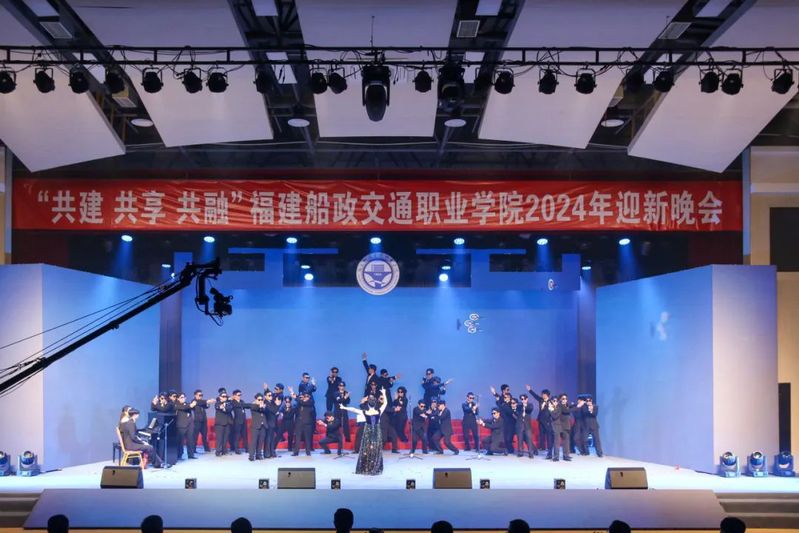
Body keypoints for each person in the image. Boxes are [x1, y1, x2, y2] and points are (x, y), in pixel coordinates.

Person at [341, 387, 388, 475]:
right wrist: (384, 393)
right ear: (375, 403)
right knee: (375, 448)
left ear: (368, 404)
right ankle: (374, 467)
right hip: (376, 431)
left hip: (368, 431)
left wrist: (344, 407)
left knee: (367, 448)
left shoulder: (365, 412)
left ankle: (367, 467)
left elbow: (353, 409)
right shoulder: (379, 411)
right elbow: (385, 403)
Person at [525, 385, 552, 454]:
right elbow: (535, 396)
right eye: (542, 394)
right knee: (541, 434)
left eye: (543, 394)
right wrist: (530, 390)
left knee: (548, 435)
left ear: (547, 395)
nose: (542, 395)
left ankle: (549, 448)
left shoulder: (551, 402)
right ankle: (542, 447)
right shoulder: (541, 400)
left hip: (547, 421)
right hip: (540, 420)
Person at [173, 392, 196, 460]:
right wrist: (191, 405)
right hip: (181, 425)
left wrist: (192, 405)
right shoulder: (176, 404)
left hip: (189, 425)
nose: (183, 399)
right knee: (180, 441)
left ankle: (191, 454)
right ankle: (179, 454)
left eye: (184, 397)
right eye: (182, 397)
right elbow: (184, 407)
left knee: (190, 440)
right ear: (178, 398)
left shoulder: (187, 404)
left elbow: (192, 407)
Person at [292, 389, 316, 456]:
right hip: (299, 423)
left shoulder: (310, 403)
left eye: (307, 396)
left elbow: (304, 403)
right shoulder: (299, 403)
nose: (306, 397)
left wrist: (296, 398)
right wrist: (294, 394)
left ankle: (308, 452)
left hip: (308, 424)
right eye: (305, 396)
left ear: (309, 397)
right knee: (297, 438)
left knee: (307, 438)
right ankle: (296, 452)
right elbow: (296, 408)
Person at [549, 394, 572, 461]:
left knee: (566, 442)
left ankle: (566, 456)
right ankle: (556, 456)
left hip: (563, 426)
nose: (555, 402)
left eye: (556, 401)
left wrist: (552, 410)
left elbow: (556, 416)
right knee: (556, 442)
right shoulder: (552, 408)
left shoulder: (559, 407)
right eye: (554, 401)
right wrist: (551, 410)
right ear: (551, 401)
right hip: (555, 426)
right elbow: (553, 416)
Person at [191, 389, 214, 454]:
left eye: (202, 395)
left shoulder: (202, 402)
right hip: (197, 421)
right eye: (200, 395)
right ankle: (193, 449)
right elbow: (200, 402)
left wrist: (208, 403)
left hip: (204, 421)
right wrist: (207, 401)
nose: (201, 396)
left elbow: (206, 406)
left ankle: (207, 449)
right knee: (195, 436)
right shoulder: (194, 401)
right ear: (195, 395)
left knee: (205, 436)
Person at [248, 392, 267, 461]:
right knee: (254, 441)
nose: (260, 401)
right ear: (255, 400)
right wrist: (260, 406)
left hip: (263, 426)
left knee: (260, 441)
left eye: (261, 399)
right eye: (259, 399)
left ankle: (258, 455)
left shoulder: (264, 406)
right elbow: (256, 408)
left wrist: (262, 407)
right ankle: (251, 455)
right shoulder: (253, 406)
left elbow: (264, 410)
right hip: (255, 427)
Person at [515, 394, 535, 458]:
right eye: (522, 399)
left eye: (524, 399)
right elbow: (517, 411)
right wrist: (522, 407)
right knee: (520, 439)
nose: (523, 400)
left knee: (529, 439)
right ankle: (520, 452)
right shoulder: (519, 406)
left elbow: (530, 410)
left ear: (527, 399)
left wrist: (525, 406)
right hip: (520, 425)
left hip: (527, 425)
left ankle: (531, 453)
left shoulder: (530, 405)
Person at [214, 391, 233, 456]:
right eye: (223, 396)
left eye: (226, 396)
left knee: (225, 438)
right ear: (220, 397)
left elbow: (229, 409)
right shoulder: (217, 403)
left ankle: (224, 451)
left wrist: (224, 407)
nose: (225, 397)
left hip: (227, 423)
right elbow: (218, 407)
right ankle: (218, 451)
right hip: (219, 424)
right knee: (219, 439)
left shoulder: (229, 403)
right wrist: (223, 407)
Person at [229, 389, 248, 454]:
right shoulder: (233, 402)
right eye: (238, 395)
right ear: (234, 396)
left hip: (243, 420)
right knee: (237, 435)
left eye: (240, 395)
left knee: (245, 435)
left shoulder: (242, 401)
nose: (240, 396)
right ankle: (236, 449)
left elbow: (246, 406)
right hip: (237, 421)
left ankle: (247, 448)